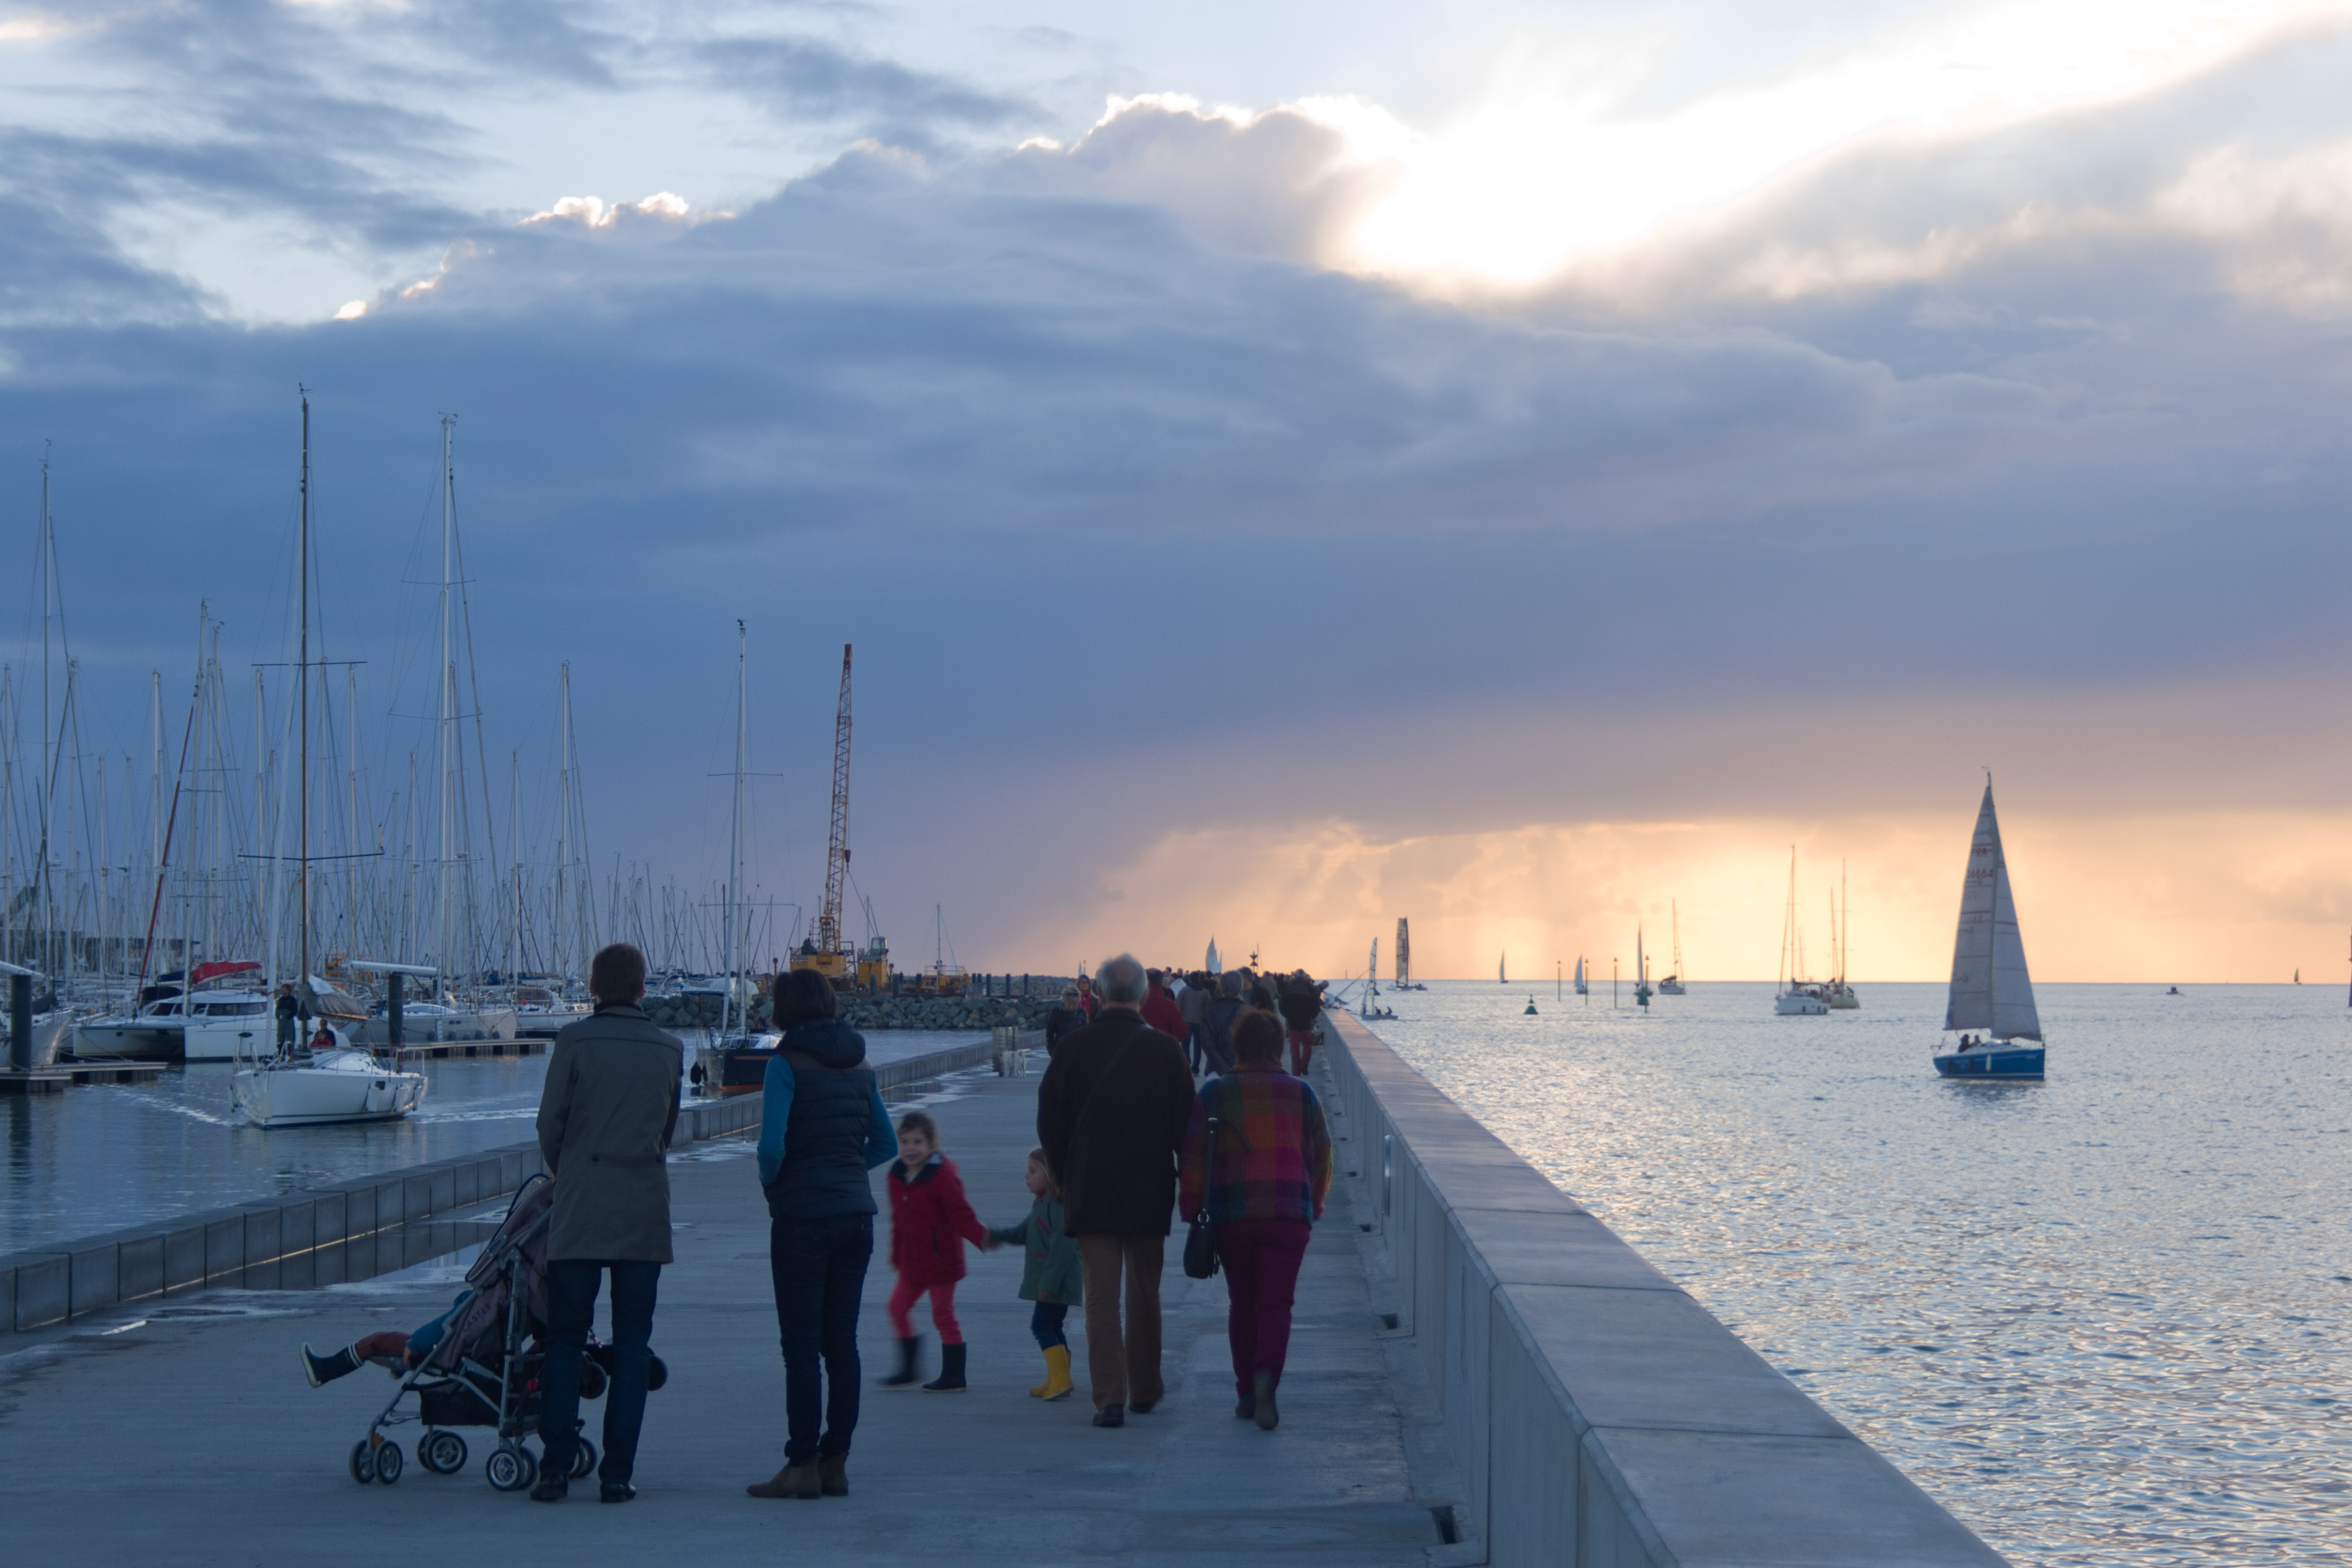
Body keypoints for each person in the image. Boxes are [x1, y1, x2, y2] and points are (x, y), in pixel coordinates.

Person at [531, 941, 682, 1503]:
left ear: (594, 988)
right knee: (634, 1343)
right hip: (642, 1206)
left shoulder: (573, 1042)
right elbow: (666, 1130)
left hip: (582, 1205)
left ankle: (554, 1467)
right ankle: (617, 1474)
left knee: (565, 1337)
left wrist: (569, 1171)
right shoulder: (669, 1048)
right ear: (643, 989)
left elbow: (550, 1124)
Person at [746, 968, 897, 1501]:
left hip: (803, 1218)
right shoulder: (861, 1063)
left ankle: (801, 1465)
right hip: (856, 1217)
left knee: (801, 1348)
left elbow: (771, 1147)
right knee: (842, 1344)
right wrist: (846, 1170)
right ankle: (836, 1464)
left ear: (786, 1009)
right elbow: (886, 1143)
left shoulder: (784, 1064)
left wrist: (775, 1185)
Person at [1035, 953, 1193, 1428]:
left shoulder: (1072, 1047)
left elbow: (1049, 1121)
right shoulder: (1166, 1052)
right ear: (1144, 995)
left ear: (1098, 994)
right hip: (1149, 1187)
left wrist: (1061, 1174)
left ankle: (1109, 1399)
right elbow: (1186, 1129)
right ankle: (1144, 1389)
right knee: (1144, 1293)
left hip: (1090, 1186)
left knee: (1101, 1297)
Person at [1179, 1009, 1332, 1432]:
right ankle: (1267, 1376)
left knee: (1242, 1303)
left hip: (1233, 1215)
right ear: (1278, 1046)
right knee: (1277, 1305)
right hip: (1288, 1215)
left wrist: (1191, 1209)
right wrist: (1315, 1204)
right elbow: (1323, 1156)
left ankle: (1246, 1392)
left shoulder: (1215, 1094)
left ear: (1238, 1046)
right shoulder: (1303, 1094)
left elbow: (1193, 1157)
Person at [879, 1110, 988, 1393]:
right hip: (912, 1262)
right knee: (896, 1308)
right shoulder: (896, 1177)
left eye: (918, 1142)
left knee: (942, 1315)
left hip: (941, 1262)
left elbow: (960, 1214)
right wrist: (896, 1255)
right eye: (905, 1141)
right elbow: (899, 1223)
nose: (910, 1148)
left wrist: (982, 1236)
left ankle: (954, 1376)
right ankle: (909, 1369)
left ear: (931, 1145)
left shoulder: (941, 1177)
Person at [984, 1147, 1083, 1402]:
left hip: (1057, 1282)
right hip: (1052, 1281)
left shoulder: (1059, 1208)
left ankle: (1061, 1378)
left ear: (1051, 1175)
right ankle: (1058, 1377)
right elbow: (1024, 1232)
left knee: (1041, 1325)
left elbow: (1062, 1250)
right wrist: (998, 1236)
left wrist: (1049, 1284)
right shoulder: (1043, 1203)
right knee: (1053, 1325)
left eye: (1032, 1171)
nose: (1026, 1176)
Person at [1197, 972, 1247, 1078]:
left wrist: (1225, 1069)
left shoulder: (1210, 1013)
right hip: (1244, 1071)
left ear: (1221, 988)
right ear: (1241, 989)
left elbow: (1207, 1044)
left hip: (1215, 1072)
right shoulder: (1251, 1013)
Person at [1276, 972, 1323, 1077]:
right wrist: (1312, 1016)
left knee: (1294, 1047)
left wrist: (1287, 1016)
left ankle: (1295, 1072)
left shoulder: (1288, 988)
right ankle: (1304, 1063)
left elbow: (1282, 1005)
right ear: (1304, 978)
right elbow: (1316, 1006)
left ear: (1294, 977)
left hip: (1292, 1022)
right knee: (1307, 1044)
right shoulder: (1310, 989)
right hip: (1306, 1021)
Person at [1142, 969, 1186, 1045]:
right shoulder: (1169, 1005)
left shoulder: (1135, 1002)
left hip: (1138, 1048)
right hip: (1162, 1048)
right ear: (1162, 983)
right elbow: (1180, 1031)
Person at [1177, 972, 1210, 1074]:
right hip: (1200, 1022)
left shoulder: (1184, 991)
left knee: (1185, 1045)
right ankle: (1195, 1068)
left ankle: (1187, 1064)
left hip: (1186, 1021)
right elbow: (1207, 1008)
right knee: (1198, 1047)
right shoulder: (1205, 992)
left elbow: (1178, 1005)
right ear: (1200, 979)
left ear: (1190, 979)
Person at [1045, 985, 1088, 1057]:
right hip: (1060, 1050)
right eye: (1069, 1004)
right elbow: (1049, 1034)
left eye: (1074, 1005)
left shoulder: (1082, 1013)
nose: (1071, 1007)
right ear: (1064, 1002)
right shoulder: (1055, 1013)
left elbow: (1086, 1035)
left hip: (1077, 1051)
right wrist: (1051, 1052)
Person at [275, 984, 298, 1051]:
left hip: (288, 1022)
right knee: (280, 1038)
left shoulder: (292, 999)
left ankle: (290, 1053)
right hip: (281, 1022)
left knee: (290, 1038)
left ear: (288, 990)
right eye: (282, 989)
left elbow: (295, 1011)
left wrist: (289, 1017)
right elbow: (277, 1009)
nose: (282, 991)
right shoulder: (280, 1000)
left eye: (284, 989)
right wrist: (277, 1016)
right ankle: (280, 1053)